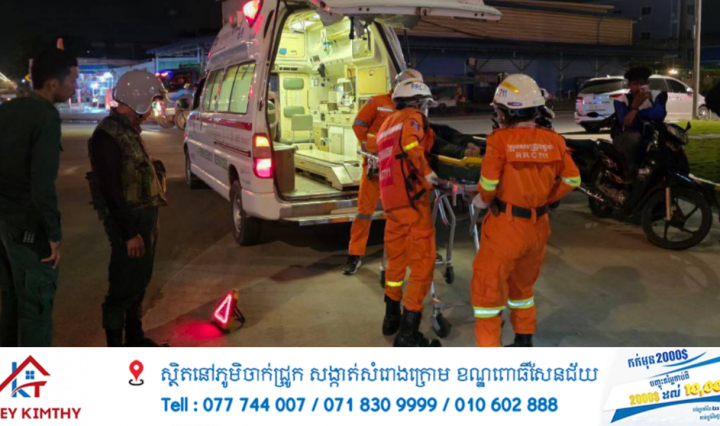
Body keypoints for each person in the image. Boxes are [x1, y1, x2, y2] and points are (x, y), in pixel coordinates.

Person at [470, 74, 581, 348]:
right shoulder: (554, 140)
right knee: (522, 290)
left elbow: (489, 183)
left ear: (507, 112)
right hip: (538, 227)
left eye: (499, 110)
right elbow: (573, 179)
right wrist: (547, 198)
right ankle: (523, 342)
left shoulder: (499, 140)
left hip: (506, 227)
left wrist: (482, 200)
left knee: (487, 293)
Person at [344, 70, 481, 275]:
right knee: (365, 211)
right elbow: (359, 126)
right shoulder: (378, 102)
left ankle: (422, 250)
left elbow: (421, 140)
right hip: (378, 165)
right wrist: (375, 145)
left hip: (406, 167)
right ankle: (354, 254)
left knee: (418, 212)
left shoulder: (415, 111)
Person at [0, 48, 79, 347]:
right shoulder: (45, 116)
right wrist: (54, 234)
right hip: (27, 228)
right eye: (72, 80)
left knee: (11, 302)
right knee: (36, 307)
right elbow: (42, 184)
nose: (75, 87)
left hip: (4, 223)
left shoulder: (8, 110)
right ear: (53, 83)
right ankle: (33, 376)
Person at [88, 70, 168, 347]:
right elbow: (110, 190)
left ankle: (135, 338)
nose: (153, 107)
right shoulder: (106, 135)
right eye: (152, 100)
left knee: (139, 281)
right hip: (129, 222)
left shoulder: (128, 129)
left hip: (143, 218)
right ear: (140, 99)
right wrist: (129, 234)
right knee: (123, 287)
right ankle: (116, 347)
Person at [376, 79, 441, 347]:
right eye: (424, 104)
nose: (425, 109)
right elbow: (411, 145)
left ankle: (391, 317)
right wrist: (428, 174)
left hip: (391, 201)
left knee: (396, 261)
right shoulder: (412, 118)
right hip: (413, 200)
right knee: (423, 265)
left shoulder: (386, 125)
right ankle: (408, 333)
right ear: (417, 102)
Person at [612, 67, 668, 178]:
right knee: (634, 137)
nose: (639, 87)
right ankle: (630, 174)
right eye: (635, 84)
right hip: (625, 137)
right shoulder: (622, 99)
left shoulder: (656, 95)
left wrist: (635, 112)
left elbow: (659, 113)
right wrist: (634, 107)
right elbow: (627, 122)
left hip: (650, 135)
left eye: (642, 84)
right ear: (629, 85)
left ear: (648, 83)